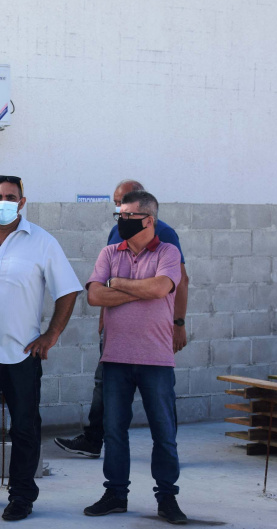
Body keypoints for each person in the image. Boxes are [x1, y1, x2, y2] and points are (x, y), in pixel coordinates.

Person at [0, 175, 82, 521]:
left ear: (22, 201)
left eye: (11, 197)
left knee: (25, 428)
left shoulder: (42, 243)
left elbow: (69, 290)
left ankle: (21, 496)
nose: (4, 202)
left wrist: (51, 334)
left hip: (20, 354)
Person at [54, 179, 189, 458]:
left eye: (124, 206)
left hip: (154, 346)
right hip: (116, 341)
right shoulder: (114, 237)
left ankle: (167, 475)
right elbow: (96, 293)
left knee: (161, 415)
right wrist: (113, 306)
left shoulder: (166, 239)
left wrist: (178, 322)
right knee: (105, 394)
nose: (119, 213)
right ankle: (94, 442)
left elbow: (173, 284)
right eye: (117, 205)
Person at [82, 190, 187, 524]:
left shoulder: (168, 251)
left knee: (163, 433)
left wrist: (119, 285)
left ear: (149, 220)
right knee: (114, 432)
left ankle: (167, 498)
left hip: (156, 359)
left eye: (128, 216)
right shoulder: (109, 252)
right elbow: (95, 296)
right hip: (115, 359)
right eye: (119, 216)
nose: (121, 221)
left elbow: (160, 289)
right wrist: (136, 290)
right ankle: (115, 494)